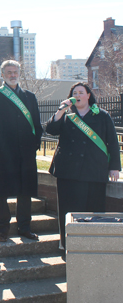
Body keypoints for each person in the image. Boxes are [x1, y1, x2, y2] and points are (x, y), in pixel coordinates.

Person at [46, 82, 120, 251]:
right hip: (67, 171)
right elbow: (50, 130)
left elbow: (112, 142)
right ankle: (67, 245)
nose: (77, 95)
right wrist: (60, 110)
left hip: (93, 169)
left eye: (81, 92)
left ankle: (93, 245)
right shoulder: (66, 115)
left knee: (93, 209)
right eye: (74, 93)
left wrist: (114, 166)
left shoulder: (102, 115)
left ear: (88, 95)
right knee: (68, 208)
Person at [0, 60, 43, 243]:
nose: (12, 74)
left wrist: (34, 146)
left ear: (19, 73)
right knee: (2, 193)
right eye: (8, 72)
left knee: (25, 192)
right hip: (5, 153)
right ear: (2, 74)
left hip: (26, 153)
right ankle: (2, 229)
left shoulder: (30, 97)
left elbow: (37, 126)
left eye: (15, 71)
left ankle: (24, 227)